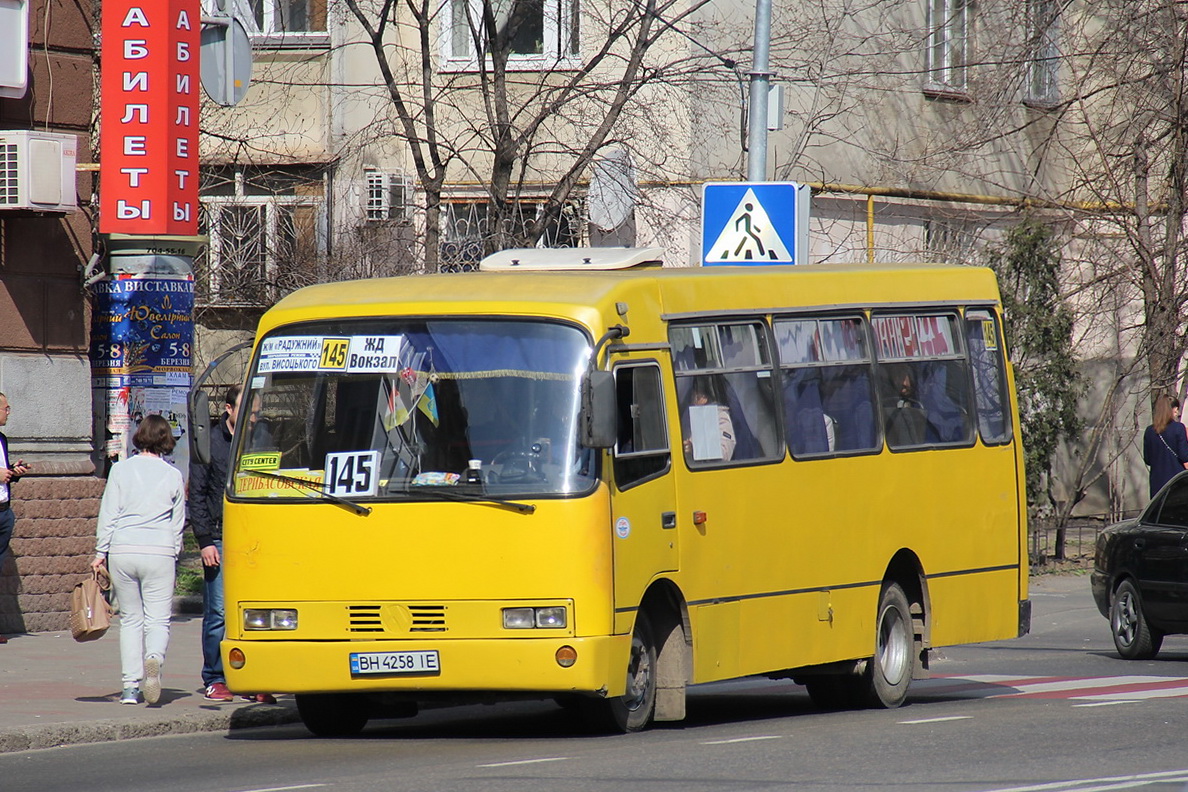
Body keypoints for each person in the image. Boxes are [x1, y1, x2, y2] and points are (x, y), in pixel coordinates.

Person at [188, 385, 275, 704]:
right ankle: (215, 677)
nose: (254, 418)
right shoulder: (210, 443)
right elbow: (196, 495)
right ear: (229, 409)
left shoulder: (261, 438)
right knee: (219, 611)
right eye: (249, 412)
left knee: (259, 612)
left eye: (257, 413)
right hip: (221, 538)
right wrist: (205, 541)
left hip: (254, 540)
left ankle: (253, 676)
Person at [91, 415, 185, 705]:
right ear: (167, 440)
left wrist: (100, 552)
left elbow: (110, 512)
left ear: (139, 436)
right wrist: (175, 552)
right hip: (158, 550)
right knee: (158, 619)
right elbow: (177, 522)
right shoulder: (173, 475)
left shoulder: (120, 470)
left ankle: (130, 688)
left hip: (123, 549)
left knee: (131, 619)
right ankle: (154, 659)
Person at [0, 392, 31, 645]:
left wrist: (14, 472)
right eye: (5, 408)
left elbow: (4, 474)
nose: (8, 412)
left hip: (3, 511)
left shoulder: (2, 439)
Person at [1142, 394, 1188, 498]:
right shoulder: (1178, 428)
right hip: (1176, 479)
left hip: (1156, 481)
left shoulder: (1149, 431)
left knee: (1160, 511)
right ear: (1174, 409)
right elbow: (1184, 456)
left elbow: (1147, 459)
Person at [682, 377, 736, 461]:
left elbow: (725, 452)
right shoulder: (688, 416)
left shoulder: (721, 417)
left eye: (697, 395)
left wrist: (694, 449)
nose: (694, 399)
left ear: (704, 397)